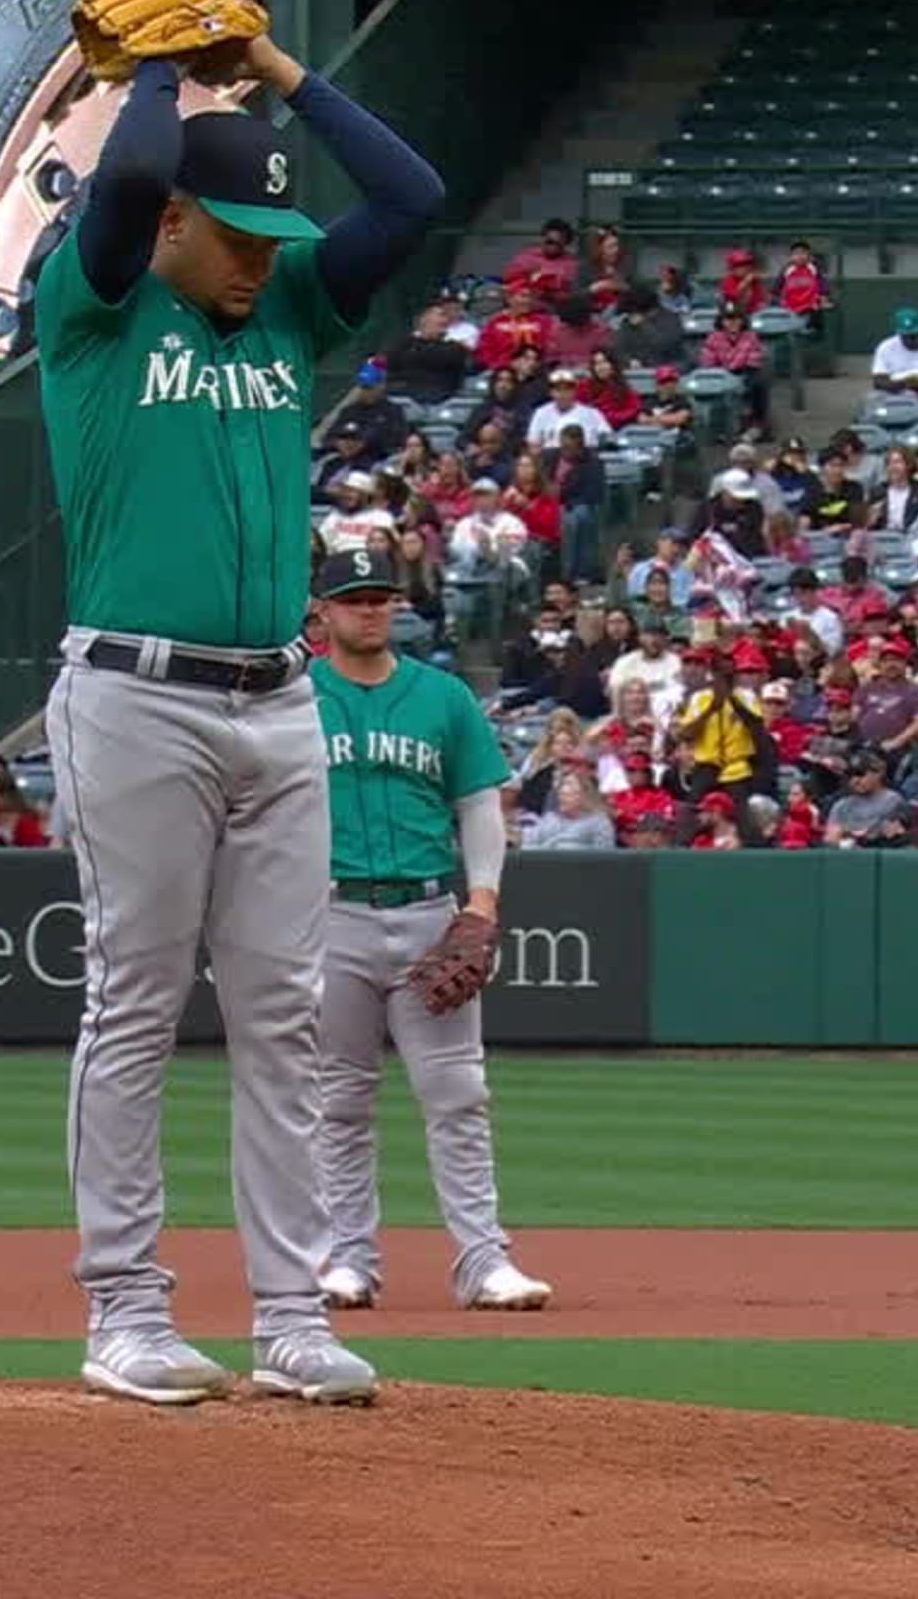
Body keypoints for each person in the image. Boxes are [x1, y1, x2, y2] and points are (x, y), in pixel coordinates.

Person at [34, 0, 440, 1410]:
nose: (268, 266)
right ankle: (125, 1314)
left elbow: (412, 195)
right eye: (243, 241)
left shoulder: (283, 307)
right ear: (173, 230)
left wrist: (275, 73)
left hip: (279, 704)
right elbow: (134, 175)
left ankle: (289, 1311)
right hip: (134, 695)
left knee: (286, 1014)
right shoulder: (94, 303)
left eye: (279, 245)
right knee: (135, 1002)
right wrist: (151, 65)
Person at [303, 547, 552, 1318]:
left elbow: (479, 803)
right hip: (328, 913)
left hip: (425, 913)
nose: (370, 610)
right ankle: (347, 1260)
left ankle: (483, 1261)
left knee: (457, 1093)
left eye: (381, 597)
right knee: (340, 1100)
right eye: (354, 599)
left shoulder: (440, 697)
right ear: (322, 615)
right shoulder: (291, 698)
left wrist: (481, 902)